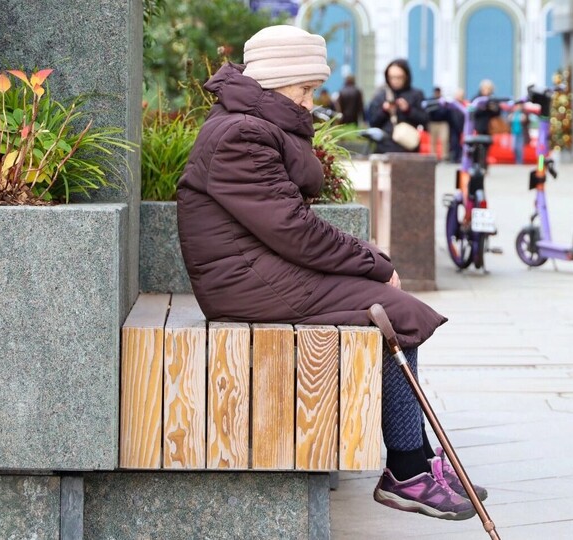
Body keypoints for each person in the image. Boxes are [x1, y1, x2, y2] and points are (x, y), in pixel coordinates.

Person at [176, 25, 485, 520]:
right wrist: (376, 264)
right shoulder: (243, 134)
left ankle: (417, 459)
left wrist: (368, 258)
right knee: (393, 310)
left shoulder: (252, 123)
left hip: (258, 268)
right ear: (276, 82)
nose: (309, 101)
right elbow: (294, 230)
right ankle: (407, 470)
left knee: (389, 304)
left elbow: (286, 224)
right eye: (304, 89)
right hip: (247, 282)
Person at [366, 59, 428, 153]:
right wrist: (384, 110)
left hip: (408, 147)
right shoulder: (381, 95)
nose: (395, 81)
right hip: (384, 147)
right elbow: (373, 122)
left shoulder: (416, 94)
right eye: (392, 77)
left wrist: (408, 110)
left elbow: (425, 119)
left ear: (406, 77)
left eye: (399, 77)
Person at [427, 87, 450, 160]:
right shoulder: (431, 101)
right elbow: (428, 111)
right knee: (433, 140)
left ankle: (444, 156)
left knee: (444, 140)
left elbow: (447, 111)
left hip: (442, 123)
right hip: (433, 123)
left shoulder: (444, 101)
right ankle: (433, 156)